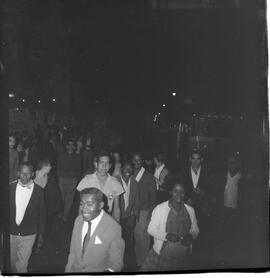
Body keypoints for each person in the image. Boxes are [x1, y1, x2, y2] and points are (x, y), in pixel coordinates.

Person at [141, 180, 199, 271]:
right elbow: (151, 229)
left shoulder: (190, 210)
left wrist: (191, 236)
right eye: (176, 191)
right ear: (171, 192)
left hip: (183, 253)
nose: (179, 194)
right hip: (163, 253)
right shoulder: (160, 209)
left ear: (185, 193)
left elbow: (195, 229)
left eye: (182, 192)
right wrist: (166, 236)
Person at [65, 187, 125, 273]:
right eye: (81, 204)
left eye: (89, 204)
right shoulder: (78, 220)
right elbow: (73, 254)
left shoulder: (113, 228)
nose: (83, 209)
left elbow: (116, 264)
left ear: (100, 205)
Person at [9, 162, 46, 273]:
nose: (25, 176)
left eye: (28, 173)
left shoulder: (39, 191)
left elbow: (42, 214)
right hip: (11, 232)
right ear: (18, 173)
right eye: (22, 173)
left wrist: (41, 234)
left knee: (22, 265)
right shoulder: (10, 187)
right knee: (11, 261)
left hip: (29, 233)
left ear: (33, 174)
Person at [77, 151, 124, 222]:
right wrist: (80, 223)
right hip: (88, 218)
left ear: (110, 166)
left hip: (106, 219)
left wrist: (116, 226)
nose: (104, 166)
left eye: (107, 163)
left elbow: (116, 209)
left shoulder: (115, 183)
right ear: (96, 164)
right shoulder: (86, 181)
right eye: (101, 162)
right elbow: (81, 205)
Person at [132, 152, 156, 268]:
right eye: (134, 160)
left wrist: (150, 213)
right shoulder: (129, 173)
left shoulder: (149, 176)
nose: (136, 162)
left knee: (144, 239)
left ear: (142, 162)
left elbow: (153, 197)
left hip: (144, 211)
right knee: (137, 237)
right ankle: (138, 261)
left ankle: (144, 263)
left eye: (139, 160)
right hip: (132, 211)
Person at [117, 161, 139, 270]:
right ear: (121, 169)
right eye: (126, 168)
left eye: (130, 169)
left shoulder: (134, 182)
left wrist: (134, 216)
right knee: (116, 244)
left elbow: (136, 202)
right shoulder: (114, 180)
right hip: (116, 218)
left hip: (128, 217)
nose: (128, 170)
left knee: (127, 245)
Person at [34, 160, 63, 242]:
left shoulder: (50, 177)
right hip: (35, 207)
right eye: (49, 166)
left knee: (45, 225)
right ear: (44, 167)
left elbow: (55, 193)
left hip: (47, 207)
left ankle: (41, 241)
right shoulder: (33, 176)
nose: (51, 167)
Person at [57, 139, 82, 222]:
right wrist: (60, 175)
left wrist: (75, 178)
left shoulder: (77, 157)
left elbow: (79, 170)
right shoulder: (62, 155)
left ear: (74, 147)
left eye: (72, 145)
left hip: (72, 181)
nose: (70, 146)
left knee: (69, 199)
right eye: (69, 144)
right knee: (61, 198)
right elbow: (58, 167)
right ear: (66, 146)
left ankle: (65, 216)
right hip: (62, 179)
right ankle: (60, 213)